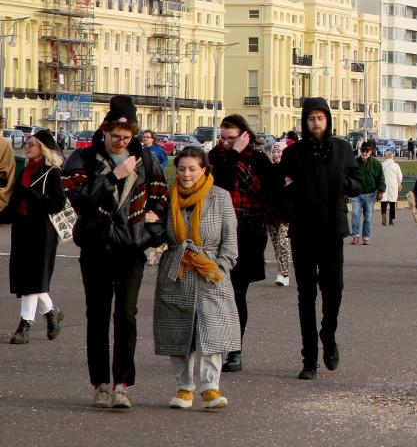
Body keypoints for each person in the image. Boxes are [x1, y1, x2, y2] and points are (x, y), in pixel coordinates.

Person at [62, 95, 169, 408]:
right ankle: (100, 384)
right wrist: (112, 177)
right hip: (96, 247)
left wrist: (152, 221)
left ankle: (123, 383)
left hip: (130, 248)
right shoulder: (82, 158)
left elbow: (160, 196)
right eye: (115, 136)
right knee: (97, 316)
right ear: (105, 130)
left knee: (126, 315)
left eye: (127, 137)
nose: (121, 142)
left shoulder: (145, 160)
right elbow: (78, 199)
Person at [278, 97, 361, 381]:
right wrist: (290, 202)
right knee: (306, 296)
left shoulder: (342, 149)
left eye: (320, 118)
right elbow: (282, 187)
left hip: (332, 229)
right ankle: (309, 358)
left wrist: (344, 184)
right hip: (302, 230)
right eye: (311, 118)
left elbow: (358, 182)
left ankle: (329, 334)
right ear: (305, 121)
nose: (316, 123)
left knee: (333, 291)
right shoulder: (294, 154)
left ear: (327, 120)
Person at [153, 147, 240, 410]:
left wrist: (220, 268)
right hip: (177, 270)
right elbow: (161, 235)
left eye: (192, 168)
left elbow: (230, 241)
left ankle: (210, 389)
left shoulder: (220, 197)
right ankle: (183, 388)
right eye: (181, 169)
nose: (186, 174)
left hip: (210, 272)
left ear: (204, 169)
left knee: (212, 332)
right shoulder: (169, 197)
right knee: (177, 332)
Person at [208, 114, 279, 374]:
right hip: (217, 233)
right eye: (223, 138)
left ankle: (235, 350)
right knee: (216, 293)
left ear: (244, 136)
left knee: (238, 293)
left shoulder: (259, 160)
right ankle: (214, 345)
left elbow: (270, 191)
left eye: (232, 138)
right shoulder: (215, 159)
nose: (226, 143)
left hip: (248, 234)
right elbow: (220, 186)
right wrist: (232, 155)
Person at [1, 130, 67, 344]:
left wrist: (34, 195)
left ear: (44, 149)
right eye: (28, 143)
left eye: (33, 144)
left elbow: (58, 202)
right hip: (23, 230)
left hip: (42, 232)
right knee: (27, 278)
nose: (27, 147)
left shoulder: (52, 172)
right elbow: (14, 202)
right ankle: (50, 314)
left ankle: (24, 326)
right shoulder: (25, 171)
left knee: (32, 279)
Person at [266, 141, 292, 287]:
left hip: (285, 214)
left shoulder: (289, 170)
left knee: (282, 242)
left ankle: (284, 274)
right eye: (274, 152)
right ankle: (281, 271)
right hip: (271, 214)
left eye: (279, 151)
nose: (276, 154)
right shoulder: (269, 170)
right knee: (276, 244)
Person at [351, 141, 383, 245]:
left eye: (366, 151)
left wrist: (380, 191)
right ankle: (355, 235)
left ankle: (366, 237)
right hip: (357, 194)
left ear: (371, 152)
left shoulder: (376, 164)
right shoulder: (354, 162)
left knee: (368, 217)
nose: (364, 153)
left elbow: (380, 178)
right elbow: (349, 177)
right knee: (355, 214)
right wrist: (347, 191)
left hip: (370, 194)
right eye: (362, 150)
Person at [379, 150, 402, 226]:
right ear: (392, 157)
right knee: (392, 204)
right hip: (393, 185)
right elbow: (399, 176)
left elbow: (378, 176)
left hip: (384, 185)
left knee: (383, 202)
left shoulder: (382, 165)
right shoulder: (396, 165)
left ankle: (384, 214)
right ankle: (391, 220)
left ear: (385, 156)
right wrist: (399, 184)